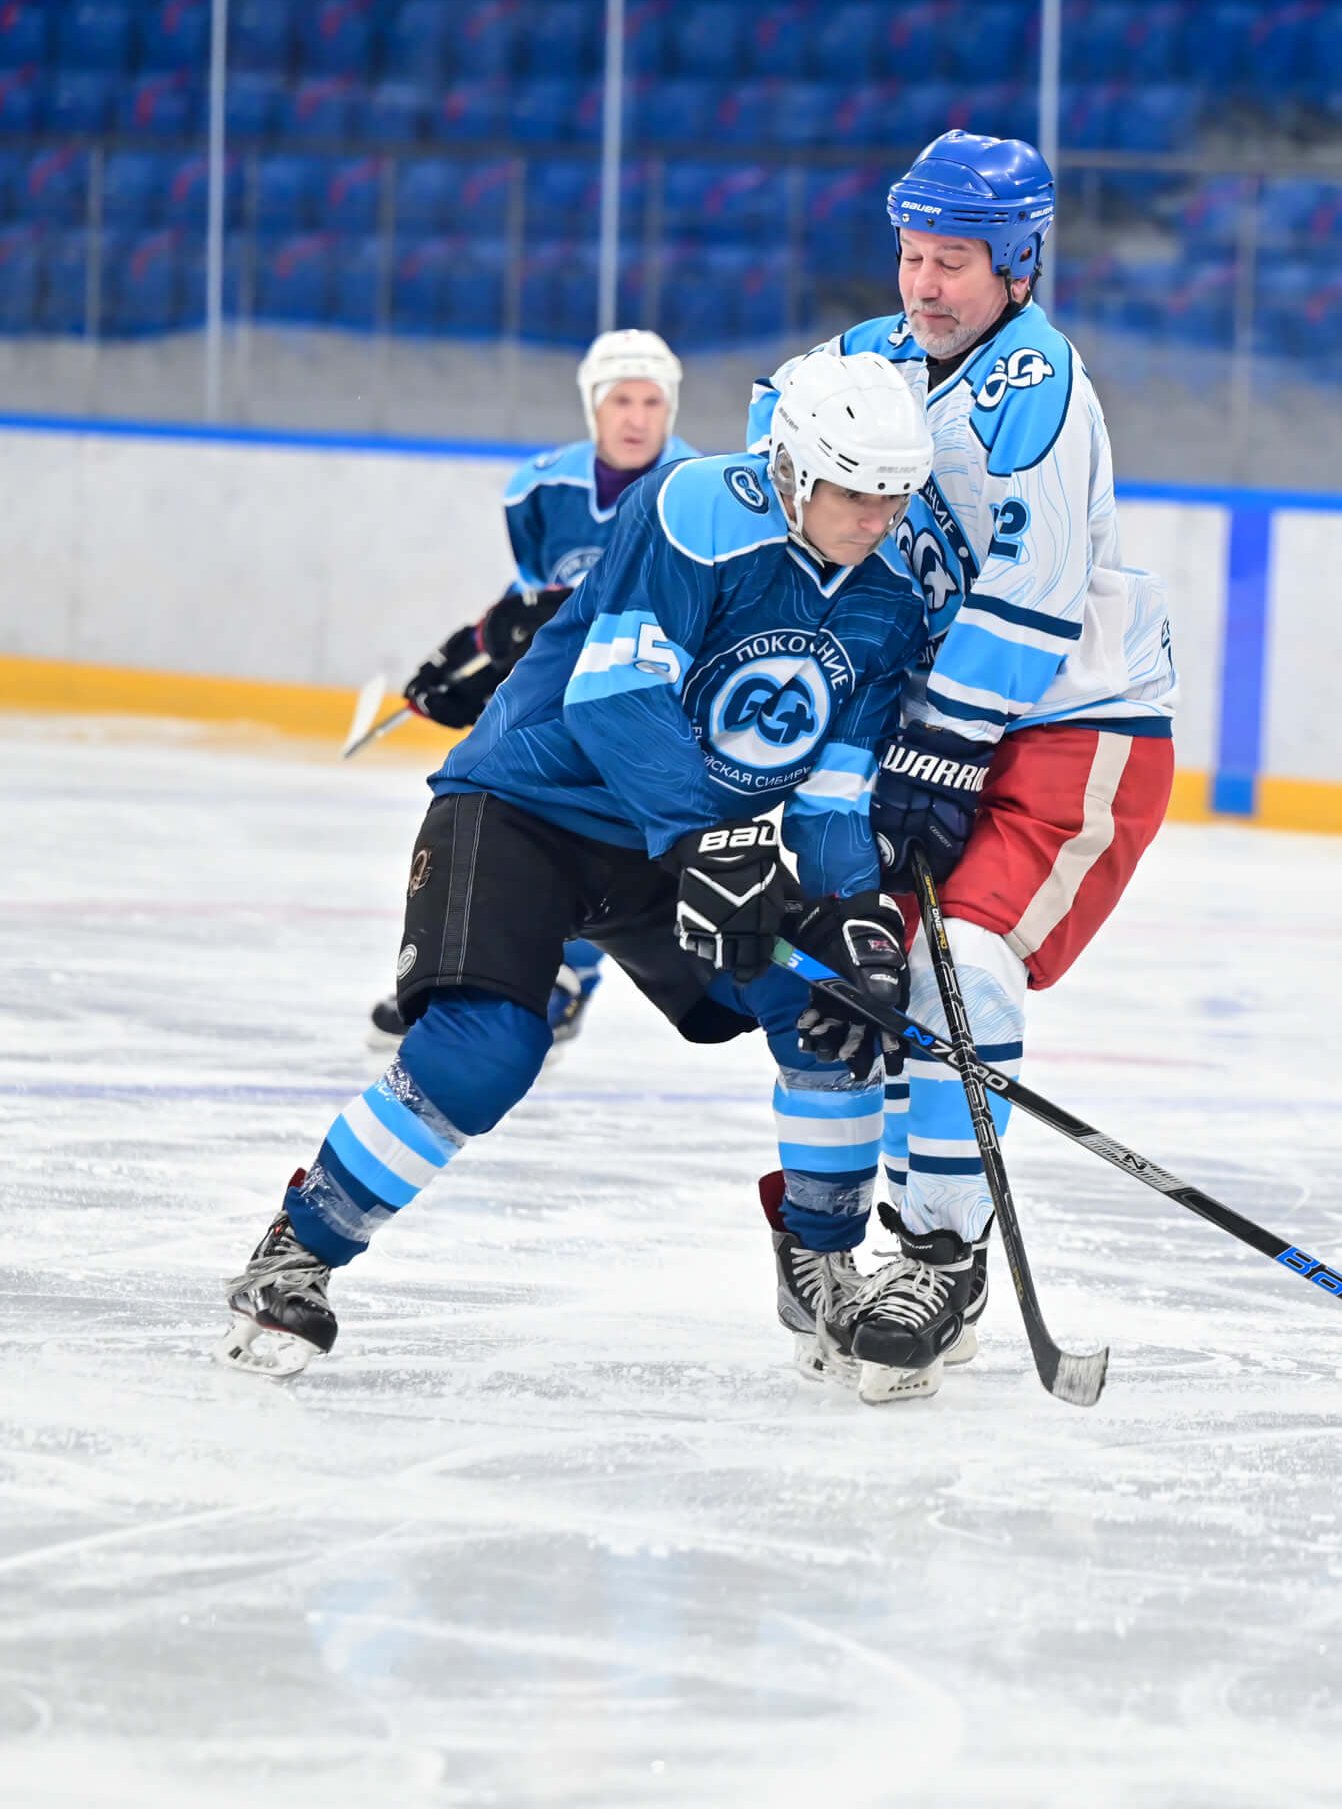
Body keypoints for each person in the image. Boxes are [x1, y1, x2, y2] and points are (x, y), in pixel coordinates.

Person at [218, 351, 938, 1384]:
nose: (879, 516)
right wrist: (711, 839)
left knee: (831, 1008)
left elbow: (830, 793)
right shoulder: (695, 507)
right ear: (791, 471)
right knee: (488, 1048)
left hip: (677, 846)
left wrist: (853, 918)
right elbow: (613, 695)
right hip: (528, 807)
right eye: (856, 491)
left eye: (895, 494)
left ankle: (822, 1262)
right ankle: (297, 1251)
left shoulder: (888, 600)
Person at [748, 131, 1177, 1404]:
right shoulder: (874, 358)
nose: (924, 284)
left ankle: (942, 1257)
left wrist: (938, 751)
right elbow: (779, 418)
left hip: (1074, 727)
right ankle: (841, 1240)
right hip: (925, 724)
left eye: (955, 262)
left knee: (967, 974)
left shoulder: (1043, 390)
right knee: (845, 974)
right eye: (911, 255)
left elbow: (1032, 598)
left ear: (1019, 265)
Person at [369, 330, 703, 1056]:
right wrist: (475, 652)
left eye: (653, 401)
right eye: (621, 399)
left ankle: (566, 978)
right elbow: (533, 597)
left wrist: (535, 620)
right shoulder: (540, 488)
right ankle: (481, 972)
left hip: (654, 698)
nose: (637, 417)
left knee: (602, 835)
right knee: (509, 809)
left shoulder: (698, 490)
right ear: (593, 407)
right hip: (565, 693)